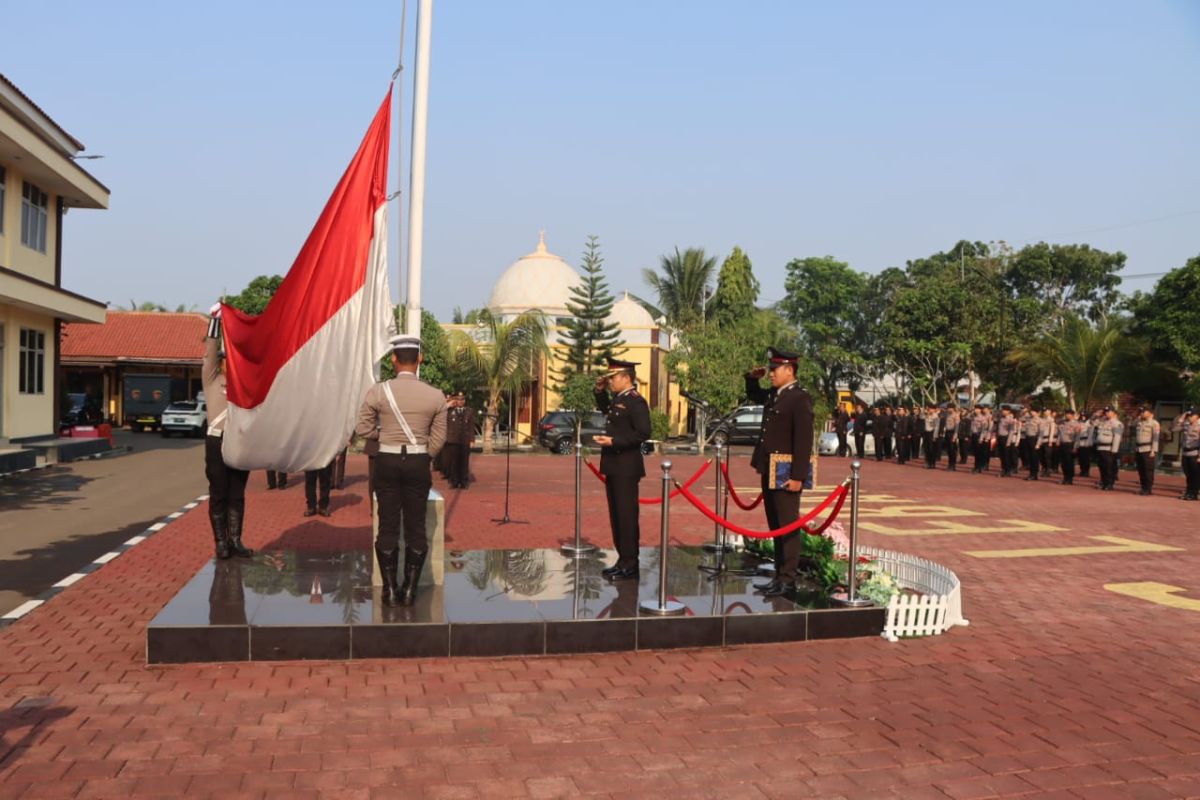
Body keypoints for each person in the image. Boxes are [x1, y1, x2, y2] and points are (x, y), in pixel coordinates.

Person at [355, 334, 448, 607]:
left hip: (387, 461)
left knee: (388, 526)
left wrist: (383, 437)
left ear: (394, 359)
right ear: (419, 360)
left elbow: (363, 429)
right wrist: (423, 453)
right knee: (416, 527)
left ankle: (389, 590)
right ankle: (409, 590)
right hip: (418, 463)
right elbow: (439, 438)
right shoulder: (435, 395)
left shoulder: (378, 392)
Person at [745, 348, 814, 598]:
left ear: (789, 370)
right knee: (775, 524)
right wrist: (752, 378)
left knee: (787, 525)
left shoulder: (799, 399)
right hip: (770, 467)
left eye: (774, 370)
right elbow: (754, 394)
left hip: (787, 472)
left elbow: (803, 441)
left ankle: (788, 579)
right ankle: (778, 575)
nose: (771, 374)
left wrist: (798, 476)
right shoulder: (775, 395)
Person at [593, 357, 652, 581]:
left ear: (626, 378)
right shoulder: (619, 398)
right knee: (616, 516)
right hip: (614, 466)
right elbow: (606, 410)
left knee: (627, 517)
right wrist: (599, 392)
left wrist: (614, 442)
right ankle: (622, 559)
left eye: (613, 377)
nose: (609, 381)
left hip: (627, 466)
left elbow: (643, 433)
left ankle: (631, 563)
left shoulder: (636, 401)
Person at [203, 304, 253, 560]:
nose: (227, 364)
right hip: (217, 441)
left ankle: (235, 539)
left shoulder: (243, 383)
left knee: (237, 494)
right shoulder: (213, 380)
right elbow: (210, 353)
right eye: (225, 361)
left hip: (240, 441)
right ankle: (221, 541)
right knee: (219, 493)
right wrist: (215, 323)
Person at [443, 391, 476, 489]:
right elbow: (439, 411)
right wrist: (448, 404)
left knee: (464, 462)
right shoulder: (449, 411)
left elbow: (471, 427)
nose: (460, 401)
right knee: (454, 462)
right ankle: (454, 482)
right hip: (453, 440)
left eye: (462, 399)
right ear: (455, 400)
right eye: (458, 399)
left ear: (464, 401)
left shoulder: (469, 411)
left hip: (465, 440)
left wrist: (472, 440)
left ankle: (464, 482)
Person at [1132, 406, 1161, 496]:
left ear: (1149, 412)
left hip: (1148, 449)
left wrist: (1153, 450)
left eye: (1143, 412)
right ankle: (1143, 487)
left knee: (1147, 470)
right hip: (1139, 449)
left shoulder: (1154, 423)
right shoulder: (1139, 422)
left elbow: (1156, 437)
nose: (1141, 413)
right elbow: (1130, 424)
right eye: (1140, 412)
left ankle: (1148, 488)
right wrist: (1137, 417)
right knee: (1140, 470)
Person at [1093, 406, 1123, 491]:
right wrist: (1096, 415)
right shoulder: (1102, 421)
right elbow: (1092, 423)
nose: (1106, 413)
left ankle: (1109, 484)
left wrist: (1114, 450)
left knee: (1109, 467)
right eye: (1105, 412)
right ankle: (1104, 482)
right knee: (1102, 466)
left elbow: (1117, 437)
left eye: (1108, 411)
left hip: (1109, 448)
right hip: (1100, 447)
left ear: (1113, 412)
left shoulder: (1117, 424)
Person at [1174, 408, 1199, 501]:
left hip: (1195, 453)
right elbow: (1174, 428)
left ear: (1197, 416)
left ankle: (1194, 494)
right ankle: (1189, 492)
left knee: (1195, 475)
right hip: (1185, 453)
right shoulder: (1186, 424)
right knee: (1188, 474)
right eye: (1188, 416)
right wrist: (1182, 417)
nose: (1189, 418)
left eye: (1191, 416)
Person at [1056, 409, 1081, 485]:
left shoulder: (1076, 424)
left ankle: (1069, 479)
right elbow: (1060, 433)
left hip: (1070, 444)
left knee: (1069, 462)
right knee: (1063, 463)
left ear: (1072, 415)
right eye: (1066, 414)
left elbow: (1077, 436)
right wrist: (1058, 441)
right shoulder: (1063, 423)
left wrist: (1075, 447)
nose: (1067, 415)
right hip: (1063, 444)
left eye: (1069, 414)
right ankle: (1065, 477)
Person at [997, 406, 1019, 477]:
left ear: (1009, 411)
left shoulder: (1011, 420)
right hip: (1000, 437)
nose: (1003, 411)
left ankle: (1008, 470)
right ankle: (1003, 469)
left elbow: (1011, 431)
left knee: (1007, 455)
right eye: (1002, 410)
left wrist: (1008, 442)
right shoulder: (1001, 418)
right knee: (1002, 455)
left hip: (1006, 438)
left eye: (1005, 410)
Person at [922, 404, 941, 469]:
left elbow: (936, 427)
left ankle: (932, 463)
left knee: (931, 449)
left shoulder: (936, 417)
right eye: (928, 409)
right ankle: (928, 462)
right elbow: (921, 417)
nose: (929, 410)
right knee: (926, 449)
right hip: (926, 433)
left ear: (934, 409)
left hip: (932, 433)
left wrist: (934, 436)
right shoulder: (927, 415)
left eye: (930, 409)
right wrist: (924, 412)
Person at [942, 405, 960, 471]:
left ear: (953, 408)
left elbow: (957, 427)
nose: (949, 409)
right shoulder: (947, 415)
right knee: (949, 450)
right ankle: (949, 464)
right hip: (947, 432)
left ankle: (953, 465)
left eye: (950, 408)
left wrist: (955, 436)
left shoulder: (956, 415)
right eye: (948, 408)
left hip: (952, 433)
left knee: (952, 450)